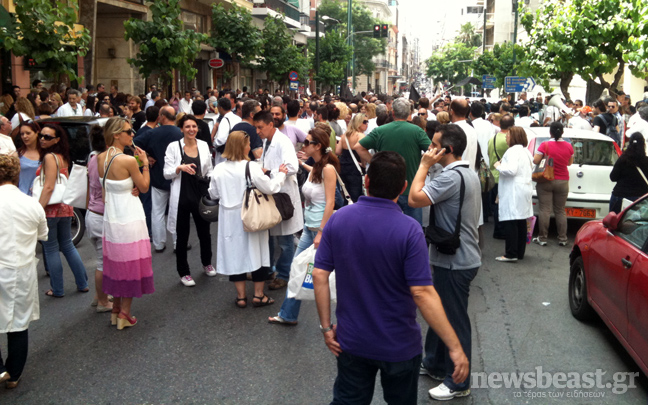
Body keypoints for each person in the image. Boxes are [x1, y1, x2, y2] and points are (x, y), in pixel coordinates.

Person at [313, 151, 469, 404]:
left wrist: (326, 327)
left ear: (367, 181)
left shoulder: (339, 219)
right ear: (404, 187)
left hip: (352, 340)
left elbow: (319, 275)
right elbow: (422, 292)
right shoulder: (409, 230)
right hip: (398, 344)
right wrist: (454, 346)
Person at [408, 124, 481, 400]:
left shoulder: (451, 178)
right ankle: (435, 363)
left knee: (454, 320)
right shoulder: (462, 171)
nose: (429, 149)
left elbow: (415, 199)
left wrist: (424, 165)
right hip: (454, 256)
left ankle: (458, 382)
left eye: (433, 145)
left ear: (446, 150)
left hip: (456, 261)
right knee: (441, 313)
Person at [208, 131, 287, 307]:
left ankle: (241, 296)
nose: (250, 146)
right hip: (251, 214)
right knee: (257, 253)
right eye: (248, 143)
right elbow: (270, 187)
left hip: (229, 218)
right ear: (242, 146)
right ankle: (259, 295)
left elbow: (213, 193)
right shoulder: (250, 167)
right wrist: (280, 174)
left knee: (235, 255)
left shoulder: (219, 168)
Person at [270, 127, 339, 325]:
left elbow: (330, 202)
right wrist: (301, 164)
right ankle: (288, 314)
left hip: (320, 229)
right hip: (311, 226)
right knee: (297, 268)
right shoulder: (317, 166)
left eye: (307, 142)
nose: (303, 145)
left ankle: (344, 319)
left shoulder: (327, 169)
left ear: (317, 146)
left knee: (328, 274)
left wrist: (322, 232)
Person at [97, 117, 153, 330]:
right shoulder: (128, 161)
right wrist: (145, 164)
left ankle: (115, 309)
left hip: (111, 218)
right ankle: (124, 313)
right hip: (129, 216)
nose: (132, 135)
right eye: (129, 131)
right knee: (130, 264)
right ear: (116, 135)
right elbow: (145, 187)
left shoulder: (100, 158)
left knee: (116, 263)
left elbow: (106, 190)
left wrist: (130, 186)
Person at [0, 155, 48, 389]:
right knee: (18, 324)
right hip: (20, 269)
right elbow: (43, 235)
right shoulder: (32, 204)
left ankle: (0, 369)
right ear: (16, 175)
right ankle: (13, 374)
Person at [354, 98, 431, 225]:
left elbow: (359, 147)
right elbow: (431, 151)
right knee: (413, 229)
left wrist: (375, 161)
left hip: (385, 190)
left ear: (393, 113)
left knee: (384, 227)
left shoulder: (380, 131)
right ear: (409, 114)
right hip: (410, 189)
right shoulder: (417, 131)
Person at [253, 110, 303, 290]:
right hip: (272, 193)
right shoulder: (267, 141)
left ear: (270, 125)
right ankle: (269, 270)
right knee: (270, 236)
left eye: (260, 127)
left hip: (283, 195)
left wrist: (270, 172)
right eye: (256, 127)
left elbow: (292, 166)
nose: (257, 131)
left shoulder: (283, 142)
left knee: (285, 239)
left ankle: (283, 274)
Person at [36, 124, 89, 297]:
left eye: (47, 137)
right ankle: (82, 283)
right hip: (66, 207)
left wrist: (38, 209)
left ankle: (57, 289)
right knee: (67, 245)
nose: (42, 139)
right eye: (41, 136)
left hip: (51, 208)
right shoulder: (62, 157)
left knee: (51, 248)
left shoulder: (50, 158)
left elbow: (49, 186)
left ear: (57, 140)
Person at [163, 115, 215, 287]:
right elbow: (166, 173)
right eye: (187, 127)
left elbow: (209, 170)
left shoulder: (203, 145)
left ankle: (207, 263)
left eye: (194, 126)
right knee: (182, 235)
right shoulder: (173, 147)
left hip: (200, 194)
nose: (191, 129)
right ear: (181, 129)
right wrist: (179, 168)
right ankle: (184, 272)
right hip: (182, 196)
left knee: (204, 232)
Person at [134, 106, 183, 253]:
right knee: (177, 212)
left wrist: (146, 158)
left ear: (161, 116)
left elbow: (133, 144)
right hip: (177, 177)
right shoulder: (180, 133)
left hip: (157, 177)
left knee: (157, 212)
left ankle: (159, 243)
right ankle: (177, 242)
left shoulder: (151, 133)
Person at [493, 127, 534, 261]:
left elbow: (511, 170)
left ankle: (510, 253)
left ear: (514, 137)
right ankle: (519, 252)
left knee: (511, 221)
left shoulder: (512, 151)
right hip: (524, 189)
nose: (506, 137)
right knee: (521, 221)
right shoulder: (525, 151)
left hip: (514, 190)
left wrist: (498, 165)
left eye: (508, 135)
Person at [85, 126, 114, 312]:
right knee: (103, 262)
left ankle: (99, 295)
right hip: (101, 214)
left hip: (92, 213)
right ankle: (103, 302)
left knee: (101, 258)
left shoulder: (93, 158)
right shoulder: (105, 161)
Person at [532, 122, 574, 246]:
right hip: (562, 181)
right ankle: (563, 238)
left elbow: (535, 160)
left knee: (545, 209)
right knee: (560, 210)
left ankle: (543, 238)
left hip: (546, 179)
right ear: (562, 132)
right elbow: (569, 163)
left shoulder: (544, 145)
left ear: (550, 132)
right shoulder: (569, 146)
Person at [487, 114, 513, 239]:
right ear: (512, 126)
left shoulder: (492, 138)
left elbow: (489, 154)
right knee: (501, 204)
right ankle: (500, 230)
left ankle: (498, 228)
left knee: (496, 203)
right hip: (503, 176)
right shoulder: (508, 140)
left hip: (493, 174)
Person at [609, 133, 648, 213]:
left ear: (629, 144)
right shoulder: (646, 161)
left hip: (620, 197)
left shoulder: (622, 160)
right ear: (643, 145)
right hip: (641, 199)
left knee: (614, 223)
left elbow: (613, 177)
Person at [335, 113, 367, 202]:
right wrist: (364, 165)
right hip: (355, 168)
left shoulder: (345, 135)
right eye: (364, 122)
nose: (367, 124)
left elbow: (337, 151)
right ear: (358, 123)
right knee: (356, 195)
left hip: (343, 167)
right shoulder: (360, 136)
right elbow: (362, 151)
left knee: (346, 194)